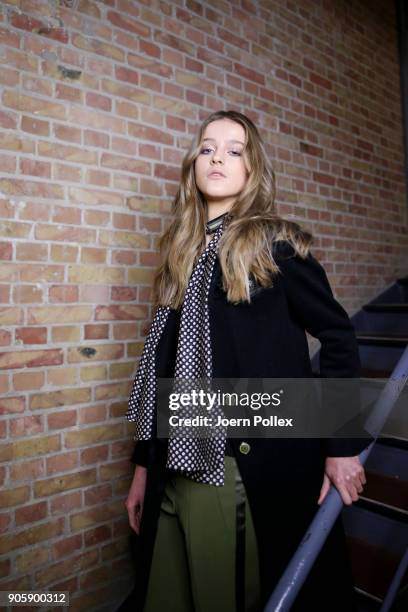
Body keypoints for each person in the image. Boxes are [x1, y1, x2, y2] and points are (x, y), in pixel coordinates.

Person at [119, 110, 369, 612]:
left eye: (235, 150)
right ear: (194, 164)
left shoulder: (275, 245)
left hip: (234, 467)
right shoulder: (180, 255)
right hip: (172, 464)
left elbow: (339, 336)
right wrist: (144, 467)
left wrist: (342, 447)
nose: (218, 157)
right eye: (208, 148)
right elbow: (161, 368)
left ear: (253, 170)